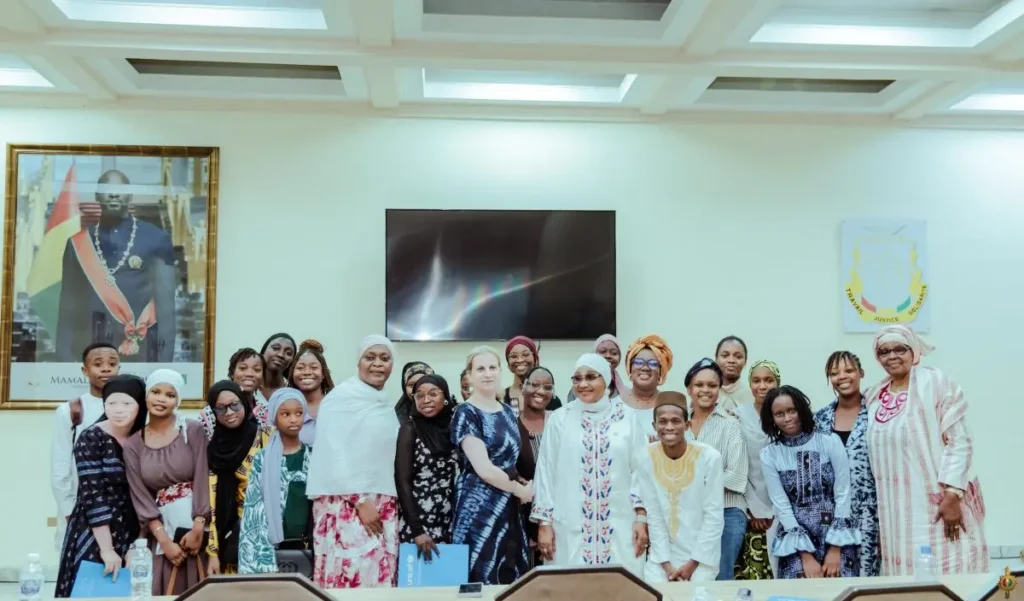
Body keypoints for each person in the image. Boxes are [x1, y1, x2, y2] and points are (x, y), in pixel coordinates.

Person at [865, 325, 988, 576]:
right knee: (905, 581)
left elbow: (960, 441)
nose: (892, 356)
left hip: (938, 506)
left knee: (948, 572)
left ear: (914, 351)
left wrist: (953, 495)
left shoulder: (934, 382)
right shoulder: (874, 396)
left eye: (900, 349)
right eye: (884, 351)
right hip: (895, 515)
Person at [531, 353, 649, 577]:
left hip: (621, 524)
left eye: (591, 377)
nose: (583, 384)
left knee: (621, 585)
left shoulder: (627, 418)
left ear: (607, 379)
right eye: (577, 378)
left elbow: (641, 471)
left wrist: (641, 517)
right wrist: (544, 523)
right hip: (568, 525)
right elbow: (546, 471)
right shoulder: (560, 418)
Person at [306, 335, 400, 589]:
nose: (378, 364)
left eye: (385, 358)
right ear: (358, 362)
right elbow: (333, 453)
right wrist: (359, 500)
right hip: (347, 504)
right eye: (370, 358)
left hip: (382, 501)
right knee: (352, 577)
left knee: (380, 579)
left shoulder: (385, 403)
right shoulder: (341, 399)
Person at [56, 169, 176, 362]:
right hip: (90, 351)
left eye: (119, 189)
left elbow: (166, 308)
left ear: (130, 195)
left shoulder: (155, 238)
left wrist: (163, 364)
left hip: (141, 349)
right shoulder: (77, 244)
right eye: (107, 188)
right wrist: (63, 360)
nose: (113, 194)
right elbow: (68, 308)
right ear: (97, 196)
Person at [54, 375, 147, 597]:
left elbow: (147, 493)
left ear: (140, 406)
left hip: (135, 527)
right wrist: (107, 549)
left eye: (127, 403)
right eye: (111, 402)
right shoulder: (91, 438)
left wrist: (139, 543)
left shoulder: (143, 437)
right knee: (95, 589)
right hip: (95, 528)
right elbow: (92, 495)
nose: (118, 409)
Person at [123, 369, 210, 596]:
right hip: (162, 532)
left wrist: (199, 526)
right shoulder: (134, 444)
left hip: (197, 529)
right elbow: (140, 495)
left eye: (170, 395)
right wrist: (165, 540)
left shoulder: (191, 430)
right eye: (156, 392)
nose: (162, 399)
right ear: (146, 397)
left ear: (177, 401)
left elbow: (203, 475)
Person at [760, 385, 860, 579]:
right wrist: (805, 556)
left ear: (801, 409)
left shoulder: (830, 441)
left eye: (792, 410)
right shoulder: (769, 454)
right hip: (795, 540)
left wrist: (836, 548)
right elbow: (781, 503)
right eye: (779, 414)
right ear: (771, 418)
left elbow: (843, 492)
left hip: (836, 534)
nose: (787, 418)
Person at [451, 346, 532, 585]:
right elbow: (484, 468)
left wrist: (524, 486)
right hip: (478, 506)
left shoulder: (507, 411)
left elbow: (512, 461)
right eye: (480, 369)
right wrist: (520, 491)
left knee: (509, 576)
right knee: (480, 575)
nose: (487, 374)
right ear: (470, 375)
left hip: (508, 505)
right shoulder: (466, 412)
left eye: (492, 367)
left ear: (500, 371)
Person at [638, 392, 724, 583]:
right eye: (663, 421)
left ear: (687, 425)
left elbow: (714, 515)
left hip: (702, 557)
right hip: (661, 558)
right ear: (654, 426)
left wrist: (692, 563)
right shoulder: (646, 456)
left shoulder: (709, 458)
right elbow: (654, 514)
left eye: (676, 421)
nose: (669, 427)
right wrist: (666, 565)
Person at [815, 351, 879, 577]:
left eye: (849, 370)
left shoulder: (878, 414)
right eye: (834, 373)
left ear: (861, 373)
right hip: (830, 517)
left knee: (869, 580)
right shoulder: (820, 419)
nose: (842, 376)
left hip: (871, 514)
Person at [683, 358, 748, 580]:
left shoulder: (730, 424)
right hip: (686, 515)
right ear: (689, 389)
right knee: (688, 578)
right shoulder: (678, 426)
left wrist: (693, 487)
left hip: (727, 512)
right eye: (699, 385)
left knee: (720, 578)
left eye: (712, 386)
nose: (705, 390)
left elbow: (737, 477)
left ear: (719, 390)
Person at [51, 342, 120, 553]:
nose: (106, 368)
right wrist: (69, 511)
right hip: (79, 506)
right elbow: (60, 466)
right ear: (85, 370)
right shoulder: (71, 410)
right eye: (98, 364)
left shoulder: (130, 406)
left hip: (119, 507)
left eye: (112, 363)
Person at [238, 388, 312, 574]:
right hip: (270, 544)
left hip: (306, 541)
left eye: (298, 413)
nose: (293, 419)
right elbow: (253, 507)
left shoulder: (313, 456)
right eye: (285, 414)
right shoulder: (262, 458)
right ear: (274, 417)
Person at [206, 380, 271, 575]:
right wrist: (212, 552)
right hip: (228, 542)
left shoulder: (266, 438)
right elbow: (211, 504)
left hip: (263, 540)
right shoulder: (213, 449)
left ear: (244, 402)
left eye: (235, 405)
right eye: (220, 408)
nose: (229, 412)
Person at [395, 375, 458, 560]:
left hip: (450, 523)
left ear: (445, 396)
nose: (426, 400)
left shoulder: (455, 428)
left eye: (433, 394)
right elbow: (402, 481)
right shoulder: (409, 429)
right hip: (418, 524)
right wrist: (417, 530)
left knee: (447, 585)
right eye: (419, 396)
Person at [733, 359, 781, 580]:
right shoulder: (737, 416)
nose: (762, 386)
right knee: (753, 573)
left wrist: (775, 511)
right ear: (750, 384)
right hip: (749, 506)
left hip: (782, 508)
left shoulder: (786, 415)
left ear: (777, 383)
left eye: (768, 380)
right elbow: (737, 464)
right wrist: (754, 509)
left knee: (780, 569)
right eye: (756, 380)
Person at [515, 366, 556, 567]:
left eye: (547, 387)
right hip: (521, 518)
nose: (541, 391)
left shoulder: (559, 422)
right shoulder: (510, 426)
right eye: (534, 384)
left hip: (558, 516)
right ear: (523, 387)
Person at [199, 348, 270, 438]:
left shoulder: (267, 412)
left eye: (257, 370)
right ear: (232, 373)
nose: (250, 374)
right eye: (243, 368)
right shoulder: (210, 413)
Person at [623, 334, 674, 442]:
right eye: (638, 362)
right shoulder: (614, 405)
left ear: (661, 372)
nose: (645, 368)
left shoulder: (671, 405)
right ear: (630, 368)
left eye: (653, 364)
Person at [288, 339, 334, 447]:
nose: (307, 372)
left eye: (314, 367)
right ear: (292, 374)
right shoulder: (284, 407)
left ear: (323, 374)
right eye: (300, 368)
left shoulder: (335, 405)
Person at [716, 336, 754, 411]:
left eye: (738, 356)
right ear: (716, 359)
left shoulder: (753, 396)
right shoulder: (707, 393)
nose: (731, 360)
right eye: (725, 356)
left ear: (745, 362)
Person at [260, 333, 297, 401]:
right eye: (276, 348)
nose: (281, 355)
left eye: (288, 353)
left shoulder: (293, 393)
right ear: (263, 351)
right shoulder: (249, 384)